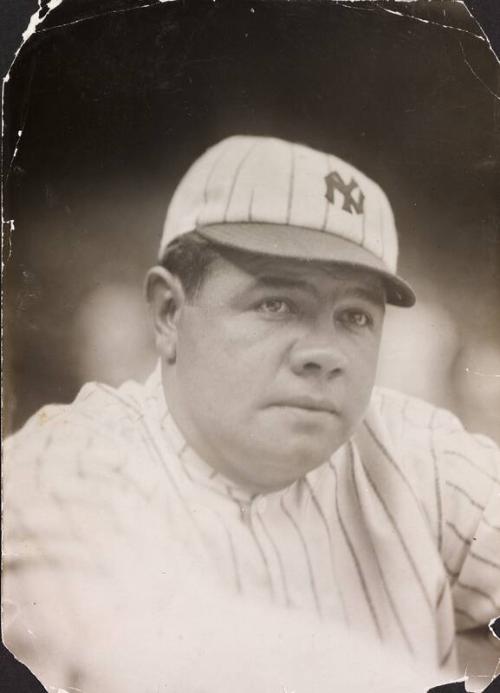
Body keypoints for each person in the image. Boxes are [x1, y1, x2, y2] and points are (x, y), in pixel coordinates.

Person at [3, 135, 499, 692]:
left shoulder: (413, 451)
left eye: (356, 316)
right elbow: (142, 661)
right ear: (169, 312)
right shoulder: (61, 463)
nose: (325, 352)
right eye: (277, 303)